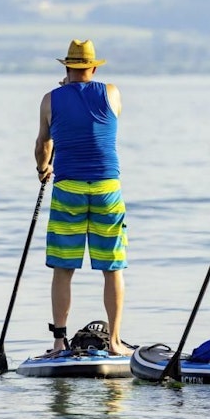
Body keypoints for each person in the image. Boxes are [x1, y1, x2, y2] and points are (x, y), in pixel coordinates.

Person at [34, 39, 132, 355]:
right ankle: (115, 341)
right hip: (106, 188)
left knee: (64, 268)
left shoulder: (50, 100)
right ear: (93, 67)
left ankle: (59, 341)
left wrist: (43, 168)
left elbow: (43, 146)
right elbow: (96, 119)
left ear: (66, 67)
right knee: (112, 267)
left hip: (69, 189)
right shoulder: (112, 92)